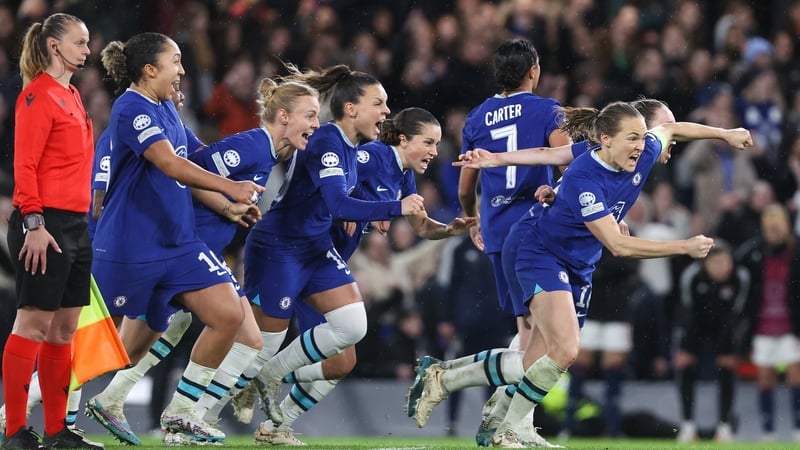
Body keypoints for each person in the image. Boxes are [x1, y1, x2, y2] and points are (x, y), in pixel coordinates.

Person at [409, 101, 753, 448]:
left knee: (534, 360)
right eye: (632, 138)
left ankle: (446, 379)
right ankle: (506, 427)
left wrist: (726, 134)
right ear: (605, 139)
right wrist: (684, 247)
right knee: (565, 350)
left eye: (641, 138)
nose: (640, 145)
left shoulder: (644, 150)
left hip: (576, 261)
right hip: (539, 251)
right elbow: (618, 246)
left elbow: (672, 130)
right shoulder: (585, 179)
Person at [84, 77, 320, 445]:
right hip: (179, 249)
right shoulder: (253, 146)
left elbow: (189, 171)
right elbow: (187, 170)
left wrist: (229, 208)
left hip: (185, 251)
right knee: (106, 345)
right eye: (310, 116)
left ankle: (136, 403)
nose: (316, 125)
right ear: (284, 116)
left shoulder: (270, 154)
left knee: (132, 346)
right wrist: (227, 198)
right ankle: (184, 414)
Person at [248, 107, 474, 446]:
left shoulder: (403, 176)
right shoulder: (372, 156)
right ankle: (209, 405)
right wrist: (370, 205)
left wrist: (449, 230)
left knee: (341, 362)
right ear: (402, 139)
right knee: (258, 347)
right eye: (428, 142)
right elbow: (336, 188)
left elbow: (421, 226)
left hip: (326, 264)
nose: (434, 151)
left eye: (437, 143)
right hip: (302, 255)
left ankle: (273, 423)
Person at [89, 32, 263, 445]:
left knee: (228, 315)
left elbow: (188, 161)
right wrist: (230, 186)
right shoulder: (131, 106)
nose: (183, 70)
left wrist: (226, 205)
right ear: (150, 69)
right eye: (176, 61)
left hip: (178, 243)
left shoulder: (166, 107)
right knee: (103, 350)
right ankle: (20, 409)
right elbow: (169, 164)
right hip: (132, 248)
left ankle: (182, 413)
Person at [240, 64, 425, 440]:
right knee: (258, 350)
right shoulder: (328, 139)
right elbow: (338, 202)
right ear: (352, 108)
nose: (386, 111)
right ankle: (192, 415)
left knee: (349, 339)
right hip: (282, 248)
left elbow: (347, 196)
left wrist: (378, 209)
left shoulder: (355, 148)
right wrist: (391, 207)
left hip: (315, 252)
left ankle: (273, 414)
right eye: (379, 103)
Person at [455, 37, 571, 445]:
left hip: (499, 229)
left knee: (529, 328)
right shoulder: (547, 110)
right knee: (541, 334)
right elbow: (567, 158)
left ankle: (507, 410)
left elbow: (466, 182)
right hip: (537, 228)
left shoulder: (476, 118)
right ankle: (510, 419)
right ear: (533, 71)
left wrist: (473, 218)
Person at [1, 13, 102, 450]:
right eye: (79, 43)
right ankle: (14, 430)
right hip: (44, 224)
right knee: (32, 326)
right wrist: (34, 224)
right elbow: (24, 166)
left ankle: (58, 432)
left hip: (76, 226)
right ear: (55, 47)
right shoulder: (36, 98)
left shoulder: (74, 95)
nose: (87, 50)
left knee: (63, 331)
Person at [735, 203, 800, 442]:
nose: (774, 230)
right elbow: (739, 272)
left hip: (792, 324)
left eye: (778, 225)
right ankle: (768, 432)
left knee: (795, 376)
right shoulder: (754, 252)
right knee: (765, 377)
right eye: (769, 226)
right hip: (763, 324)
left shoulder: (796, 251)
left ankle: (797, 430)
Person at [673, 239, 749, 443]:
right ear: (705, 264)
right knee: (686, 366)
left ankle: (724, 426)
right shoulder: (692, 277)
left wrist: (731, 345)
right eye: (716, 263)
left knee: (727, 369)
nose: (722, 267)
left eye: (725, 262)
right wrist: (685, 346)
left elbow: (738, 313)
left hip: (725, 328)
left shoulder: (740, 278)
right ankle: (688, 426)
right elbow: (685, 310)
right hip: (695, 326)